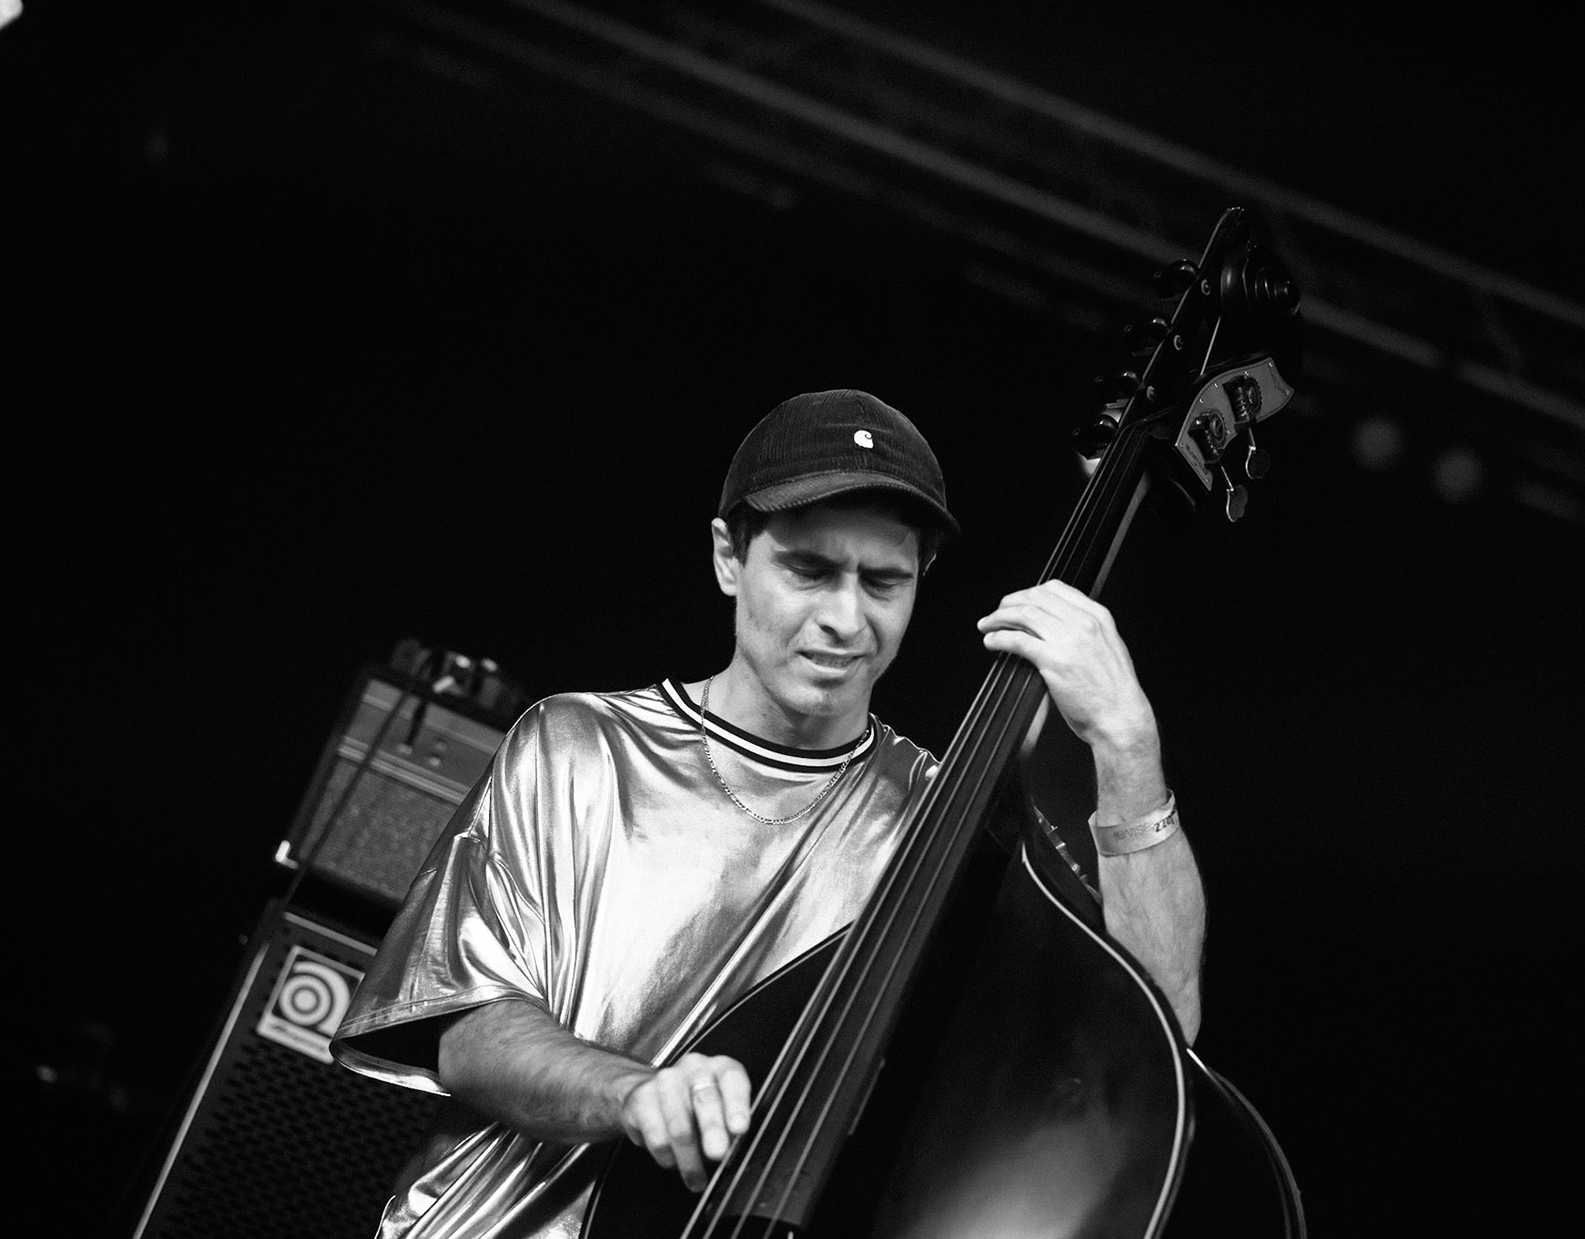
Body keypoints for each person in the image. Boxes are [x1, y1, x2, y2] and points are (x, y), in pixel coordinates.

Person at [331, 389, 1207, 1238]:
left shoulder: (948, 821)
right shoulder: (578, 746)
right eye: (809, 570)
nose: (844, 618)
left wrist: (1128, 747)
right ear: (727, 556)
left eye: (883, 582)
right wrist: (637, 1093)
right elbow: (468, 1028)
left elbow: (1152, 1033)